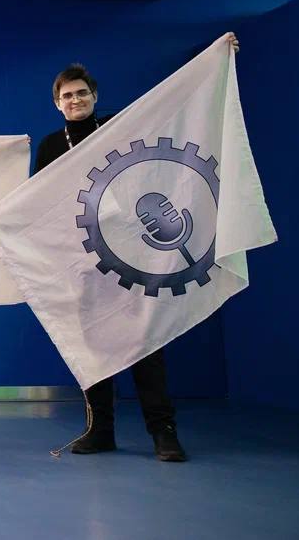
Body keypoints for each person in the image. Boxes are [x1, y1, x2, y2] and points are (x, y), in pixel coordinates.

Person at [35, 62, 185, 461]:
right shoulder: (51, 146)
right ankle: (100, 430)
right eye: (67, 95)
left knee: (146, 342)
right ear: (57, 103)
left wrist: (218, 56)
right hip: (82, 258)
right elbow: (36, 202)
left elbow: (171, 103)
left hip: (130, 254)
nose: (75, 100)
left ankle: (163, 431)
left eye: (81, 93)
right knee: (93, 344)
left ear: (95, 96)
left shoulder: (120, 127)